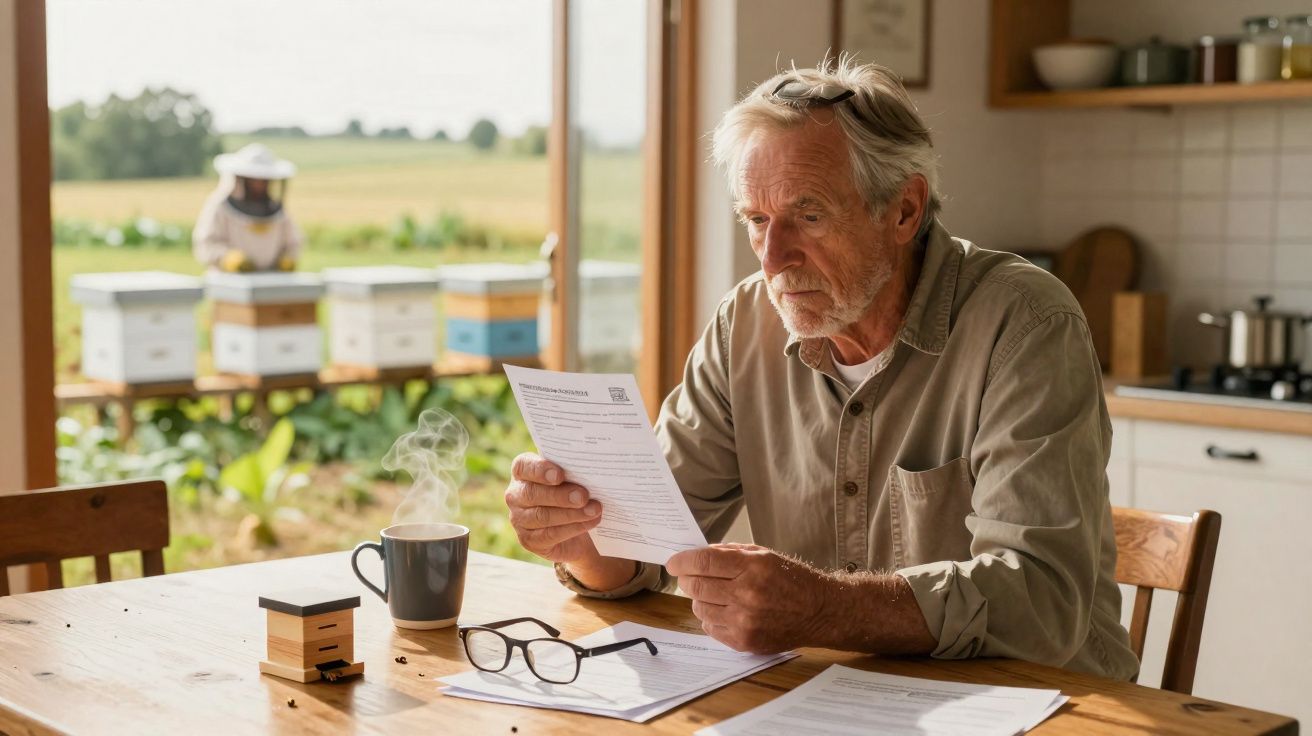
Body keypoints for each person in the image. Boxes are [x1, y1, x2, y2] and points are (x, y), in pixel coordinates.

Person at [503, 58, 1139, 681]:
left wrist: (825, 609)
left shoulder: (1025, 321)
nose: (774, 259)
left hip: (1045, 708)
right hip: (827, 702)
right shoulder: (744, 324)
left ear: (904, 211)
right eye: (756, 221)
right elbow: (646, 543)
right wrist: (584, 542)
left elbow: (1041, 600)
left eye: (808, 217)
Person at [193, 143, 302, 272]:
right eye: (255, 180)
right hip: (228, 280)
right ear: (242, 179)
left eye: (264, 180)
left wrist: (288, 258)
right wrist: (227, 258)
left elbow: (292, 242)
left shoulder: (276, 210)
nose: (260, 185)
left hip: (269, 279)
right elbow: (206, 244)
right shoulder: (220, 206)